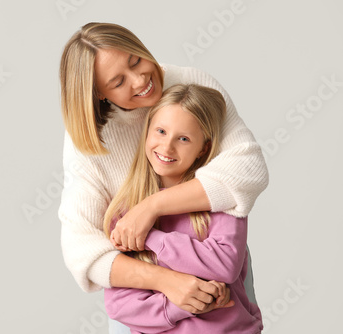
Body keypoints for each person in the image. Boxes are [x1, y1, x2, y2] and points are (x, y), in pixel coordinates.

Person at [59, 22, 268, 333]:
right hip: (144, 297)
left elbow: (247, 169)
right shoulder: (89, 142)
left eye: (135, 60)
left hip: (218, 294)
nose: (141, 79)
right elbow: (82, 250)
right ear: (99, 95)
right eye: (118, 82)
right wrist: (170, 283)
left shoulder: (189, 84)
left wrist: (150, 208)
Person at [103, 84, 263, 333]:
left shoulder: (220, 199)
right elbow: (120, 306)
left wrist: (149, 237)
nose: (167, 148)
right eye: (161, 131)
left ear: (203, 148)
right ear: (147, 132)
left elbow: (224, 265)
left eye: (184, 138)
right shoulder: (125, 213)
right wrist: (186, 303)